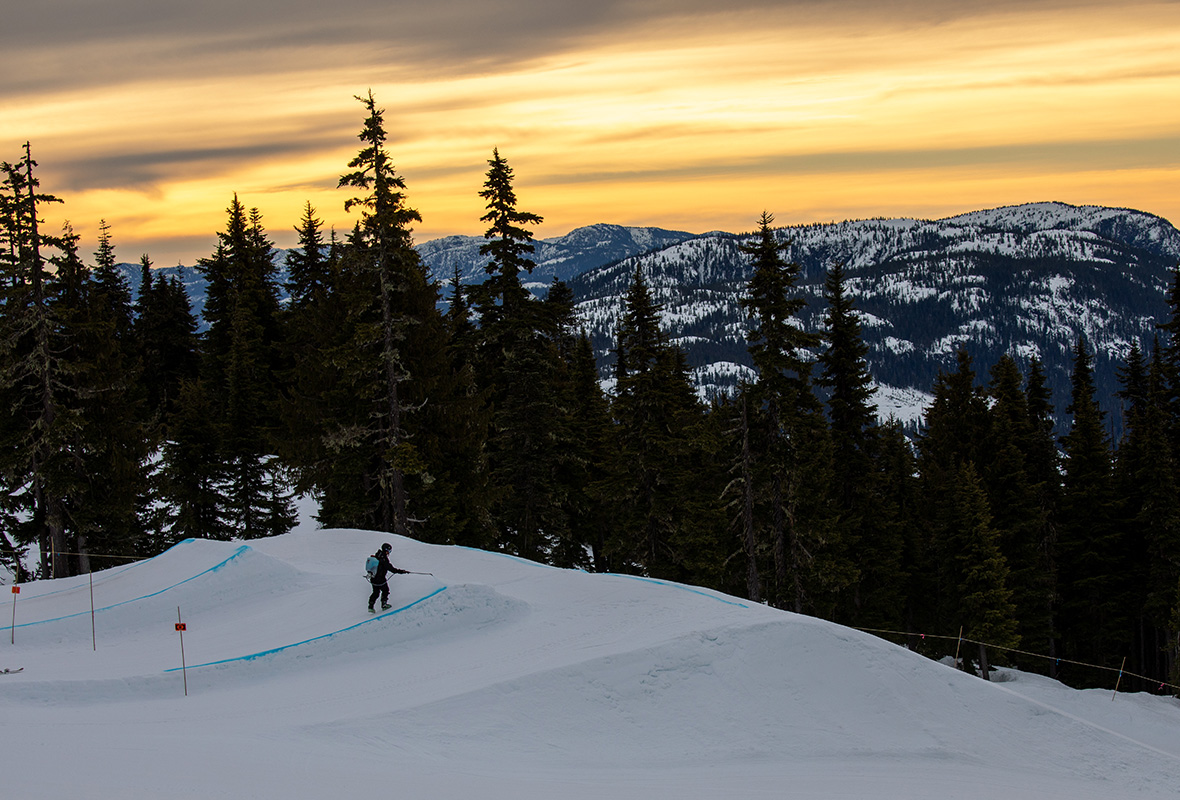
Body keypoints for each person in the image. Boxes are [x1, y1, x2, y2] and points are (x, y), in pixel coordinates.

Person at [368, 542, 409, 613]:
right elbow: (391, 568)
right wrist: (401, 571)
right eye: (389, 551)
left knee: (375, 592)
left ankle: (370, 607)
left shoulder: (377, 555)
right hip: (380, 578)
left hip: (373, 578)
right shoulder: (383, 558)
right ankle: (384, 605)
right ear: (386, 550)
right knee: (385, 590)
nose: (389, 552)